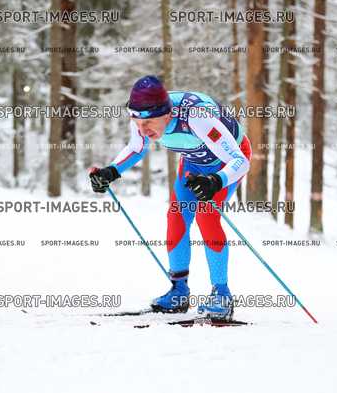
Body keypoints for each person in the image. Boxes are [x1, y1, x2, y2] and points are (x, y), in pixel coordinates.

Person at [89, 75, 251, 319]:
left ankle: (222, 295)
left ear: (167, 115)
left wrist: (216, 181)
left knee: (207, 217)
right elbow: (136, 148)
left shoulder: (197, 117)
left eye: (148, 123)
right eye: (137, 123)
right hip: (193, 163)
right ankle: (179, 292)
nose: (142, 130)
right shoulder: (142, 116)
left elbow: (240, 161)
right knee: (176, 217)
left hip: (226, 164)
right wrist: (111, 171)